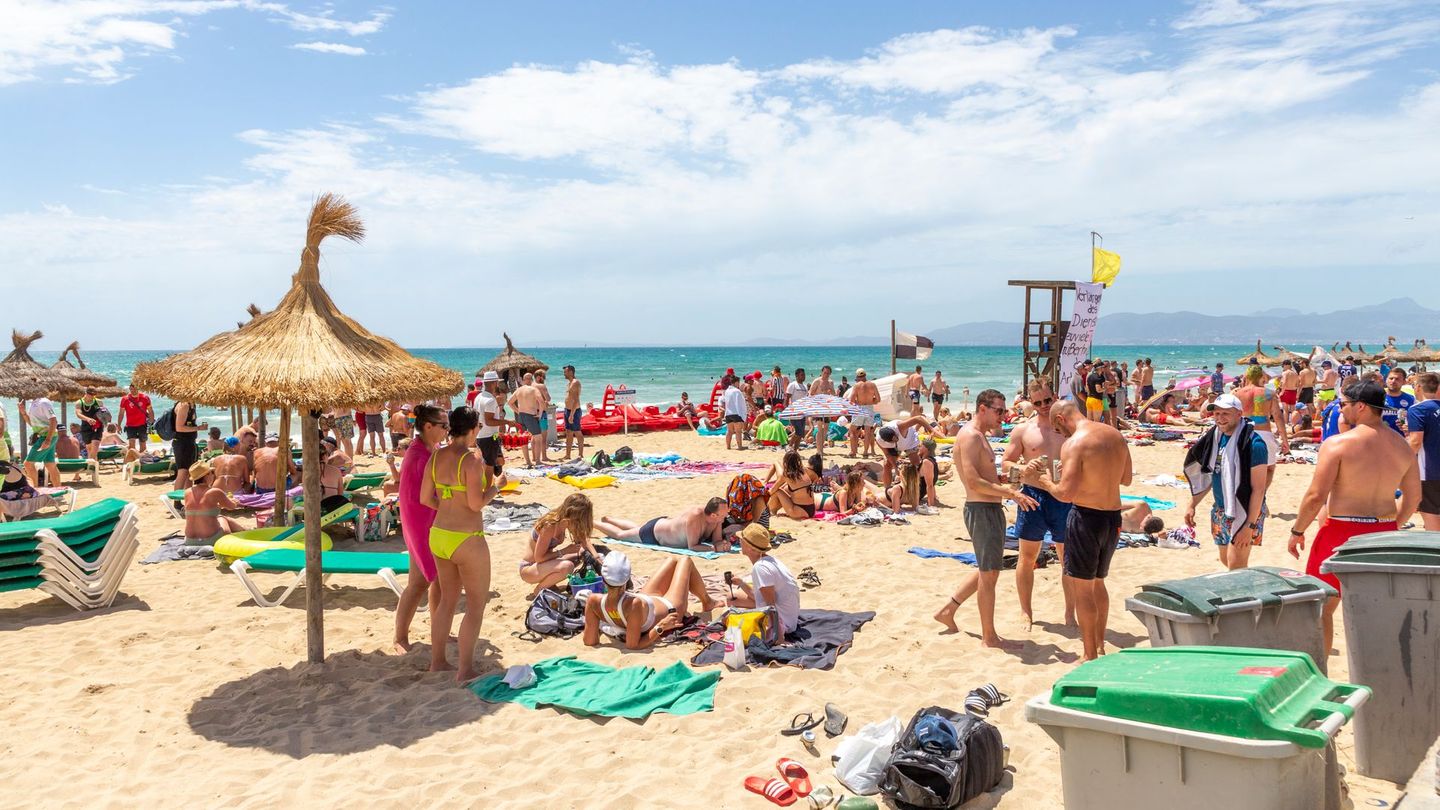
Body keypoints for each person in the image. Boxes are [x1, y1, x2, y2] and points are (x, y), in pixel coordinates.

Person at [1289, 379, 1420, 656]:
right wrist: (1393, 525)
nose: (1340, 408)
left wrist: (1297, 530)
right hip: (1384, 533)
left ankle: (1322, 673)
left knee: (1321, 607)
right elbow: (1413, 498)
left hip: (1340, 532)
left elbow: (1315, 496)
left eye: (1343, 404)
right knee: (1376, 610)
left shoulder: (1338, 444)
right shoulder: (1402, 446)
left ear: (1361, 407)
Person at [1022, 400, 1132, 661]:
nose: (1059, 434)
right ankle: (1101, 644)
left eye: (1057, 428)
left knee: (1083, 589)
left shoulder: (1075, 443)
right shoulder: (1114, 434)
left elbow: (1064, 493)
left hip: (1086, 517)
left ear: (1060, 418)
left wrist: (1045, 480)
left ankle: (1089, 653)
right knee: (1098, 583)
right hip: (1112, 517)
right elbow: (1125, 478)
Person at [933, 389, 1039, 649]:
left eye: (1004, 410)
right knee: (990, 573)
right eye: (999, 410)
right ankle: (989, 638)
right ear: (983, 408)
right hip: (981, 509)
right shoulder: (970, 436)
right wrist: (1010, 493)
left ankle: (948, 609)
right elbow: (972, 482)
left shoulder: (980, 436)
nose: (1004, 415)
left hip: (988, 509)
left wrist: (1007, 479)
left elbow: (985, 477)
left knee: (987, 566)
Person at [421, 405, 506, 683]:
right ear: (472, 429)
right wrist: (497, 487)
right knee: (475, 605)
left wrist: (447, 507)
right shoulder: (470, 461)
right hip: (466, 538)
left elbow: (425, 498)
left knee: (446, 600)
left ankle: (438, 662)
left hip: (440, 534)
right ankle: (465, 669)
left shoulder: (435, 457)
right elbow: (476, 503)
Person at [1001, 379, 1075, 627]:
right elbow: (1006, 464)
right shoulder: (1024, 430)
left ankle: (1069, 614)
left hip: (1064, 496)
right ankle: (1026, 612)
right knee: (1027, 557)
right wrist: (1022, 468)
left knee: (1068, 559)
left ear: (1054, 396)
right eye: (1038, 402)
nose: (1044, 406)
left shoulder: (1069, 426)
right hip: (1034, 496)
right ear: (1030, 404)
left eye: (1047, 400)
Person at [1183, 394, 1270, 570]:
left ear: (1239, 414)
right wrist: (1192, 504)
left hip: (1244, 511)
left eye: (1225, 414)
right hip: (1221, 509)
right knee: (1227, 561)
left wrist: (1249, 525)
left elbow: (1259, 489)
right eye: (1216, 414)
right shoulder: (1214, 438)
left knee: (1236, 565)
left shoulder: (1254, 444)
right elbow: (1210, 474)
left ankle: (1246, 596)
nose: (1220, 419)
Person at [582, 551, 717, 650]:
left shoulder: (593, 600)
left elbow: (589, 641)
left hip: (646, 600)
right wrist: (661, 627)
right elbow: (633, 645)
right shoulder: (633, 604)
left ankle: (708, 600)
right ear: (627, 578)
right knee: (685, 560)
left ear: (603, 579)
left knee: (672, 560)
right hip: (670, 606)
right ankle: (707, 601)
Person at [394, 404, 447, 653]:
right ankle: (400, 638)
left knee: (436, 581)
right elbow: (426, 496)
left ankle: (439, 630)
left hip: (429, 521)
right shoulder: (419, 456)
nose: (448, 429)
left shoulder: (429, 448)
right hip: (420, 523)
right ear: (428, 427)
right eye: (444, 425)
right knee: (420, 583)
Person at [724, 523, 802, 637]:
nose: (739, 541)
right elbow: (763, 598)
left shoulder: (760, 568)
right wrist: (741, 583)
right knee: (731, 598)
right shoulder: (769, 561)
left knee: (726, 618)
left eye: (742, 540)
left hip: (784, 625)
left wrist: (779, 636)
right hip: (788, 616)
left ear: (750, 548)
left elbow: (771, 605)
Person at [519, 493, 600, 598]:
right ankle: (539, 590)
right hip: (529, 569)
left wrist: (597, 558)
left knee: (580, 556)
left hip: (543, 566)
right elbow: (539, 558)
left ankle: (550, 585)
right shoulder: (550, 525)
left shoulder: (566, 521)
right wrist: (564, 551)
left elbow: (583, 539)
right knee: (568, 566)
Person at [596, 498, 731, 551]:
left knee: (637, 528)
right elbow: (693, 546)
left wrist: (722, 544)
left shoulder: (716, 519)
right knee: (620, 535)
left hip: (663, 525)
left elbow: (717, 541)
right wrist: (714, 549)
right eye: (724, 513)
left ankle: (609, 519)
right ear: (713, 514)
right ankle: (594, 523)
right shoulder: (695, 517)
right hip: (654, 533)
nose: (727, 516)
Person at [1234, 364, 1288, 485]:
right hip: (1264, 434)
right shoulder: (1269, 393)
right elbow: (1278, 418)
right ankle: (1261, 496)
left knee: (1245, 467)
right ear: (1261, 376)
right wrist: (1285, 441)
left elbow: (1233, 417)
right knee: (1269, 467)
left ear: (1247, 376)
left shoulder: (1238, 394)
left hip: (1243, 433)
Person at [181, 460, 245, 544]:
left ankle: (245, 531)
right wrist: (234, 501)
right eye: (211, 472)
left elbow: (200, 506)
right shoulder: (215, 491)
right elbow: (231, 506)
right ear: (206, 475)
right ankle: (246, 532)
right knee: (222, 518)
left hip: (189, 540)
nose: (213, 475)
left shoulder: (187, 492)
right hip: (211, 540)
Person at [1407, 372, 1440, 530]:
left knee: (1431, 515)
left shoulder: (1418, 409)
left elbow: (1415, 441)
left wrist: (1400, 460)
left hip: (1430, 471)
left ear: (1419, 387)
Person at [875, 414, 929, 491]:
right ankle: (887, 489)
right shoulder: (880, 440)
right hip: (894, 447)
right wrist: (896, 468)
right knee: (887, 464)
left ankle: (920, 489)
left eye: (896, 438)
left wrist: (932, 430)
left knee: (916, 464)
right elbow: (887, 454)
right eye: (893, 440)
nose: (896, 439)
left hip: (909, 439)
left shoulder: (900, 426)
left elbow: (918, 418)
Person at [473, 371, 511, 476]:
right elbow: (489, 421)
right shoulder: (490, 400)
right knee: (489, 467)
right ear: (494, 383)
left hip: (481, 435)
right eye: (497, 382)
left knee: (492, 463)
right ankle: (490, 490)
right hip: (489, 437)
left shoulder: (478, 397)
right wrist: (507, 422)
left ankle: (492, 485)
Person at [764, 449, 820, 520]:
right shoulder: (805, 470)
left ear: (786, 462)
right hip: (812, 509)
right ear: (798, 461)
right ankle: (771, 510)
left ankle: (771, 511)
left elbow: (772, 491)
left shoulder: (786, 475)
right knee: (786, 491)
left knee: (778, 491)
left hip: (798, 511)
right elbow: (816, 477)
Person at [22, 395, 62, 488]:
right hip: (47, 436)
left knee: (28, 464)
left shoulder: (44, 402)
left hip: (46, 436)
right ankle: (58, 492)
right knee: (50, 464)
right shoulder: (33, 402)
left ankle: (35, 491)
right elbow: (32, 424)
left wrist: (48, 440)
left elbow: (54, 421)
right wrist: (23, 413)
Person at [510, 373, 546, 467]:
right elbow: (542, 402)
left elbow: (509, 402)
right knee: (538, 438)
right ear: (531, 379)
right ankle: (537, 461)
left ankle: (528, 461)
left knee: (523, 439)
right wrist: (540, 414)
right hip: (530, 416)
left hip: (521, 416)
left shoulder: (519, 390)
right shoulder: (534, 389)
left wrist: (518, 411)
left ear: (523, 380)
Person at [171, 401, 205, 490]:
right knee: (183, 471)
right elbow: (179, 427)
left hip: (189, 442)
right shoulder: (184, 405)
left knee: (190, 472)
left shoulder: (192, 405)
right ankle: (177, 502)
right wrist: (198, 428)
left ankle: (187, 497)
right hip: (182, 442)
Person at [847, 369, 880, 457]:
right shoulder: (872, 385)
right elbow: (878, 399)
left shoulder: (857, 386)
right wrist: (869, 402)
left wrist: (860, 402)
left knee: (852, 431)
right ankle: (865, 452)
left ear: (857, 377)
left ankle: (853, 452)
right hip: (869, 409)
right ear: (865, 375)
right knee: (868, 432)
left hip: (860, 409)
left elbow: (851, 400)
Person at [561, 364, 585, 460]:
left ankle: (580, 454)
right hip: (567, 410)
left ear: (570, 372)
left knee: (577, 432)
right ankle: (568, 454)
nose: (564, 374)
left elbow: (576, 400)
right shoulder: (570, 383)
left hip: (573, 411)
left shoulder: (575, 383)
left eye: (565, 372)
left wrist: (571, 415)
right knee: (568, 432)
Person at [74, 388, 105, 462]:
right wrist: (88, 419)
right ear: (86, 393)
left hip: (97, 426)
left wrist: (106, 418)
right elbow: (78, 414)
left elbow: (103, 413)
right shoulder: (79, 402)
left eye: (94, 394)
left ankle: (90, 466)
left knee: (95, 445)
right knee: (90, 449)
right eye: (90, 394)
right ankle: (94, 468)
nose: (92, 396)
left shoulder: (99, 402)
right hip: (86, 427)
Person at [1382, 367, 1415, 435]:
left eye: (1397, 379)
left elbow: (1416, 421)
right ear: (1386, 380)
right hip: (1381, 440)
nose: (1393, 381)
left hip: (1403, 441)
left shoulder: (1411, 399)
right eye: (1391, 378)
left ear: (1404, 382)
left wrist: (1409, 426)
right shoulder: (1377, 398)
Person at [721, 374, 748, 451]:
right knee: (738, 431)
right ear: (736, 382)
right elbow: (740, 403)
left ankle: (728, 446)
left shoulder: (727, 391)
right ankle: (740, 446)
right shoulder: (737, 391)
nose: (739, 384)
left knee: (729, 431)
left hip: (728, 413)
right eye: (738, 383)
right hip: (736, 413)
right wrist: (743, 414)